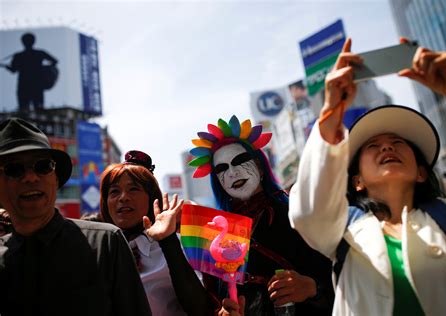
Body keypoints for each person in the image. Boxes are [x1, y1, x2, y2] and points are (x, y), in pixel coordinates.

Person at [288, 38, 446, 315]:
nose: (387, 147)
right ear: (357, 181)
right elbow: (306, 212)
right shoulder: (341, 231)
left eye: (399, 143)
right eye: (373, 146)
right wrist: (329, 116)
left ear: (421, 172)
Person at [0, 118, 151, 316]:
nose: (31, 177)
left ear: (55, 178)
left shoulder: (106, 242)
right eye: (14, 169)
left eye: (43, 166)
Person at [189, 116, 334, 315]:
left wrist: (312, 288)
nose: (232, 173)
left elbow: (343, 279)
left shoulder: (298, 212)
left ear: (259, 165)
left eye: (239, 161)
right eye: (221, 169)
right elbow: (210, 300)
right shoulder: (214, 232)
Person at [99, 150, 214, 316]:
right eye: (114, 191)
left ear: (152, 197)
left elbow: (200, 309)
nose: (123, 197)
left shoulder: (179, 245)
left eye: (133, 189)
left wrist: (168, 242)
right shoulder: (98, 250)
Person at [1, 32, 58, 112]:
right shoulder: (40, 53)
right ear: (33, 41)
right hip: (37, 85)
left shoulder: (19, 56)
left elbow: (13, 70)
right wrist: (44, 69)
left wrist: (6, 67)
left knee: (24, 110)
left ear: (22, 42)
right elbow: (55, 61)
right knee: (39, 110)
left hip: (24, 86)